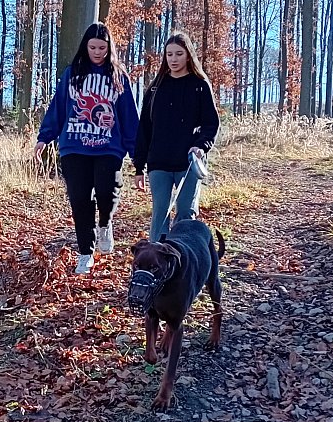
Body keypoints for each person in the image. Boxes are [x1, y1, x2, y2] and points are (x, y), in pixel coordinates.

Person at [35, 22, 139, 275]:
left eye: (102, 48)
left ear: (109, 48)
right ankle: (85, 253)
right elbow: (58, 106)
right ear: (85, 46)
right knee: (79, 199)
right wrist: (45, 136)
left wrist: (137, 155)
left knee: (106, 192)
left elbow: (128, 116)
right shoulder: (72, 74)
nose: (97, 52)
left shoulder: (118, 77)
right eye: (93, 47)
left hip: (108, 147)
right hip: (74, 146)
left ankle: (105, 223)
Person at [134, 31, 220, 243]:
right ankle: (158, 257)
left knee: (186, 213)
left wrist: (201, 146)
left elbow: (211, 123)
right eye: (169, 54)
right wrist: (139, 167)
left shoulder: (200, 86)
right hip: (159, 162)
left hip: (189, 162)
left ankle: (185, 256)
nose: (173, 59)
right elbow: (144, 129)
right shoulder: (156, 88)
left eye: (179, 54)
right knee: (160, 213)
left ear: (188, 55)